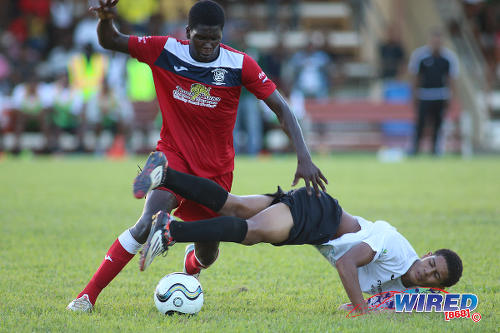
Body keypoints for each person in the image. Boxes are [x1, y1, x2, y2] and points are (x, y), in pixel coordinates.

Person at [67, 0, 327, 312]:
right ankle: (87, 296)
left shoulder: (239, 64)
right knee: (147, 224)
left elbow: (282, 108)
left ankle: (190, 267)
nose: (207, 45)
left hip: (214, 175)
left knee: (208, 256)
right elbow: (111, 41)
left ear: (222, 35)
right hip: (171, 158)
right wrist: (107, 18)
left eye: (214, 39)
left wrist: (304, 157)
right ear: (187, 32)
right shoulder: (165, 50)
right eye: (200, 38)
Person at [137, 151, 462, 314]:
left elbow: (355, 304)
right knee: (252, 233)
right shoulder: (396, 248)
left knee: (233, 207)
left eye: (435, 277)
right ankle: (171, 231)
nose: (427, 272)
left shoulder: (403, 289)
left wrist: (360, 306)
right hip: (321, 216)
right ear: (428, 253)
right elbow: (346, 264)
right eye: (432, 264)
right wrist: (364, 312)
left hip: (317, 217)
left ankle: (164, 172)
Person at [408, 29, 459, 156]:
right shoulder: (420, 56)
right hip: (424, 95)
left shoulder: (448, 58)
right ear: (430, 41)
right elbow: (416, 77)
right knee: (420, 123)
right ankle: (415, 148)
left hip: (440, 95)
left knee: (438, 124)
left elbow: (450, 79)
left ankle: (435, 150)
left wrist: (451, 97)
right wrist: (414, 95)